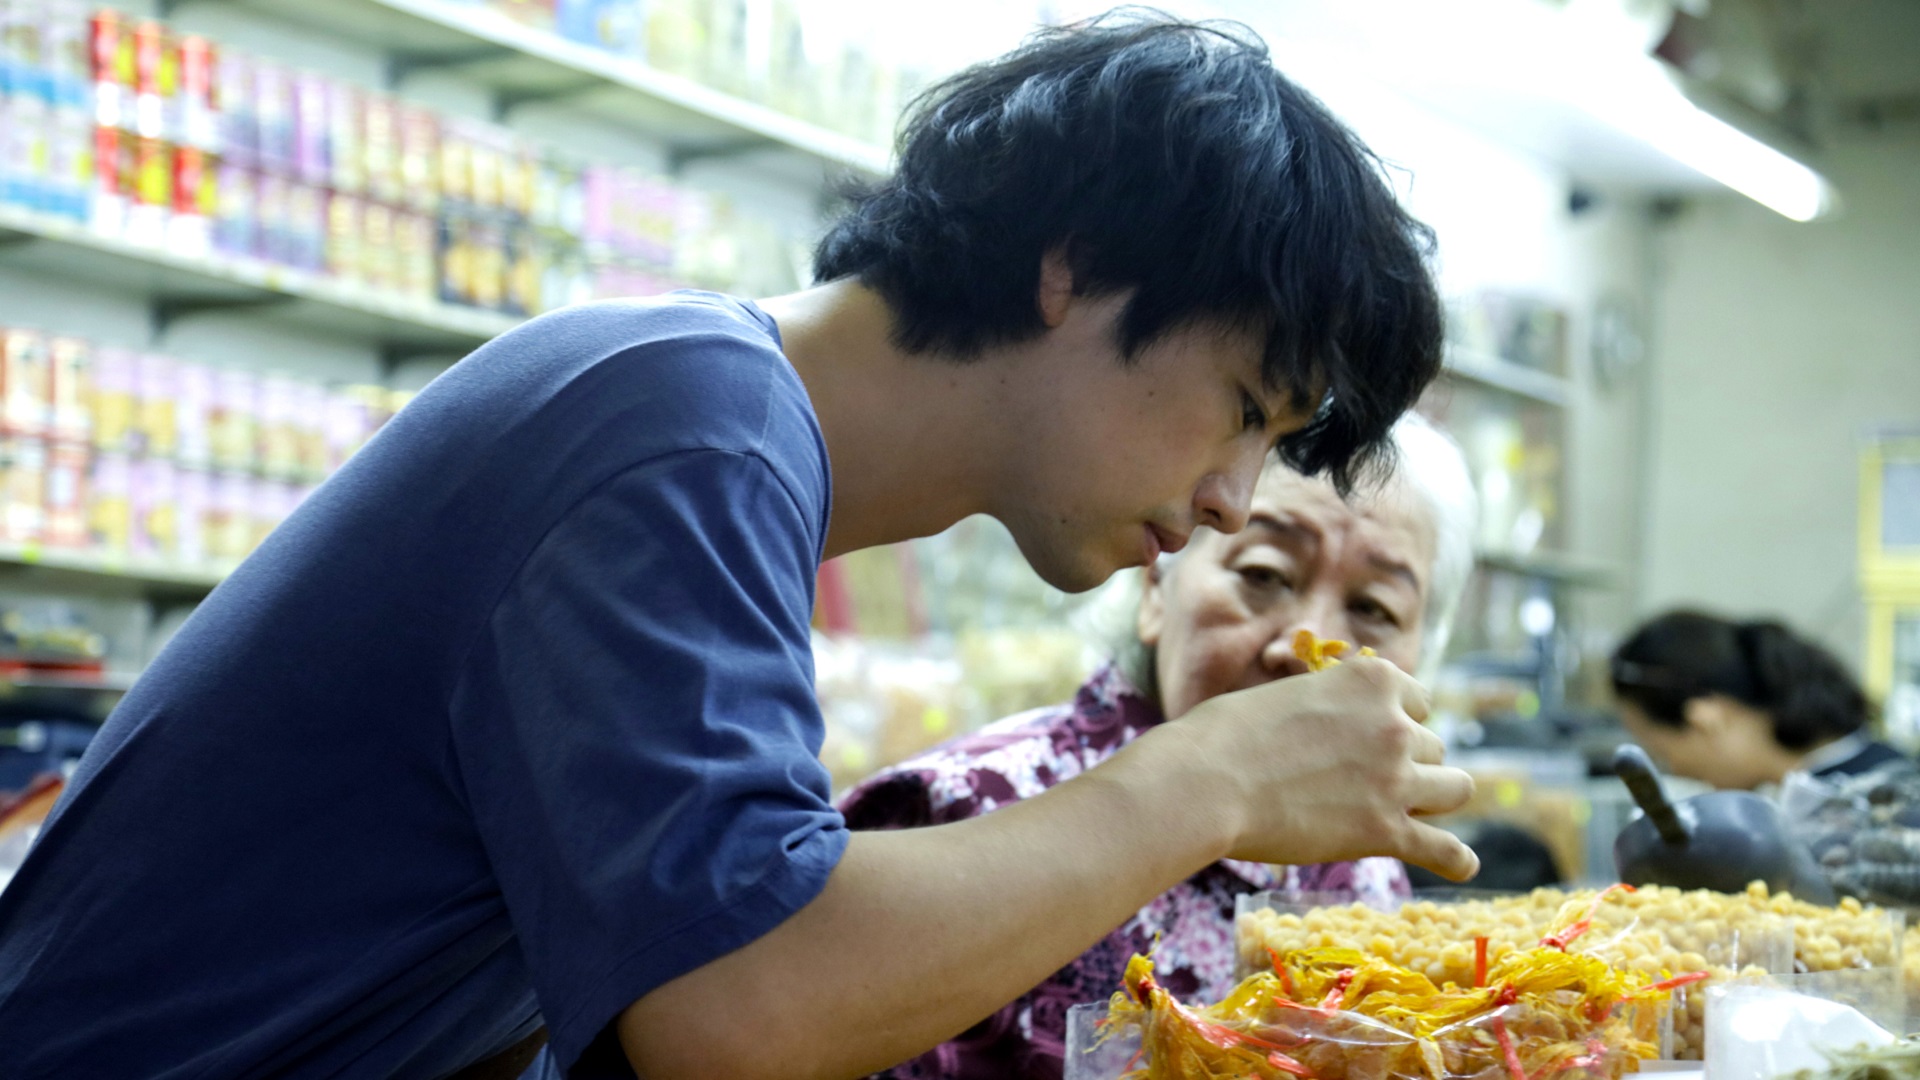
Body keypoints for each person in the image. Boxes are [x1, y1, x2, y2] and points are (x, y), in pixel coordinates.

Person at [0, 14, 1478, 1080]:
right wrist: (1209, 779)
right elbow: (746, 1012)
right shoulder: (682, 428)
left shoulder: (716, 431)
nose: (1229, 498)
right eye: (1241, 409)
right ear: (1075, 270)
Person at [839, 413, 1477, 1079]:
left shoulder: (1366, 866)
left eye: (1373, 609)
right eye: (1264, 572)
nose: (1305, 645)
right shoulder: (961, 806)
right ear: (1155, 587)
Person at [1611, 610, 1904, 790]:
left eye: (1662, 753)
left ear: (1705, 718)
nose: (1677, 771)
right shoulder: (1854, 780)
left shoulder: (1869, 810)